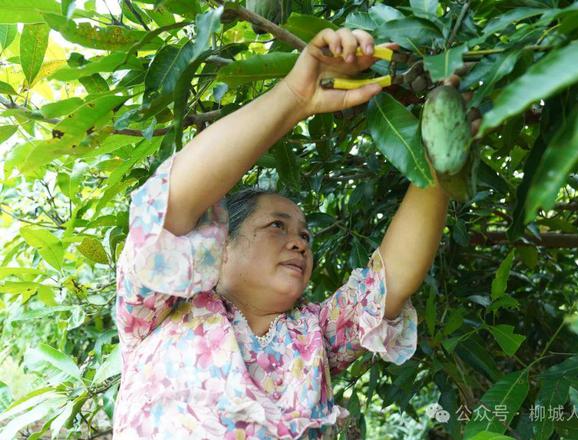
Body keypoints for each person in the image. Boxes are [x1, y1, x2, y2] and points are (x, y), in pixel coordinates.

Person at [112, 27, 457, 439]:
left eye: (306, 236)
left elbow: (389, 283)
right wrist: (294, 96)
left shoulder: (315, 335)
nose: (299, 243)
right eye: (276, 226)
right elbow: (174, 201)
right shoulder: (158, 310)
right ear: (220, 247)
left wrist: (440, 157)